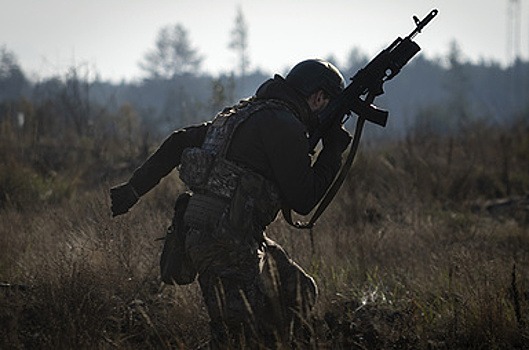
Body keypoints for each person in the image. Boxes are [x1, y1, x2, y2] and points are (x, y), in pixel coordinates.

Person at [109, 59, 351, 348]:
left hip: (231, 235)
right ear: (318, 97)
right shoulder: (285, 125)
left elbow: (178, 142)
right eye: (329, 106)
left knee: (298, 291)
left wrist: (133, 189)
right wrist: (333, 150)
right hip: (223, 245)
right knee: (237, 337)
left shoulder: (241, 114)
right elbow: (304, 199)